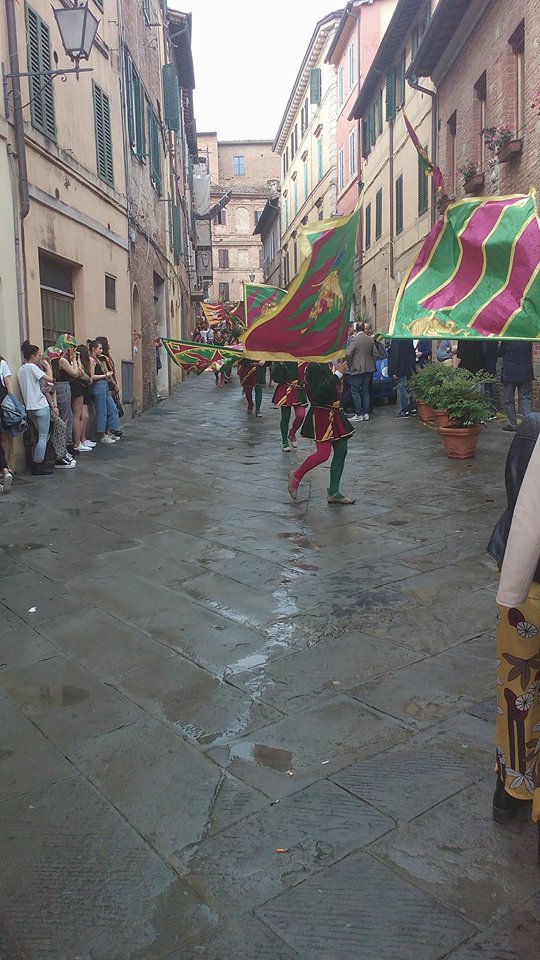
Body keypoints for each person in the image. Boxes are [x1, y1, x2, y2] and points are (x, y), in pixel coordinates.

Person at [488, 415, 540, 855]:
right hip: (528, 587)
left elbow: (520, 504)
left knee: (518, 689)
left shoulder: (532, 431)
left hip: (528, 587)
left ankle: (513, 786)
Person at [287, 360, 355, 505]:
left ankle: (334, 492)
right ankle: (296, 475)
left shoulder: (326, 363)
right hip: (322, 414)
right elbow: (320, 393)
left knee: (341, 450)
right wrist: (337, 374)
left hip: (335, 412)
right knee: (323, 454)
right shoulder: (313, 366)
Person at [17, 341, 54, 475]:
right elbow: (50, 379)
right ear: (32, 356)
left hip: (29, 407)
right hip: (40, 405)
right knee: (44, 436)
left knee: (40, 435)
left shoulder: (21, 370)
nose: (39, 357)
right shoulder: (32, 367)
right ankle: (38, 464)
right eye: (38, 355)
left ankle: (38, 461)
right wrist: (47, 366)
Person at [271, 361, 307, 452]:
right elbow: (276, 378)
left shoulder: (305, 358)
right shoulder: (283, 357)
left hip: (299, 390)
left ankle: (292, 433)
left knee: (300, 415)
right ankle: (284, 441)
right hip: (285, 389)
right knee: (285, 417)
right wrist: (280, 365)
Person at [346, 325, 378, 422]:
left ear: (356, 329)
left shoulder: (354, 340)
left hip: (357, 369)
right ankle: (366, 413)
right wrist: (371, 362)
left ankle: (358, 413)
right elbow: (375, 354)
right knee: (365, 391)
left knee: (355, 391)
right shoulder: (370, 339)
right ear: (364, 329)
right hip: (368, 369)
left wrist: (350, 365)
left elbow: (348, 353)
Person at [89, 340, 119, 444]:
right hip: (98, 385)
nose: (101, 350)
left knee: (112, 408)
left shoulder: (99, 360)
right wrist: (105, 376)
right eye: (100, 348)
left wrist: (111, 380)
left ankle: (109, 431)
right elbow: (92, 376)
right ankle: (102, 434)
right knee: (102, 410)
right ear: (94, 349)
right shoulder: (91, 360)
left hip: (104, 385)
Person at [499, 341, 533, 433]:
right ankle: (529, 424)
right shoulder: (527, 339)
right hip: (525, 371)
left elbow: (501, 352)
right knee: (525, 398)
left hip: (509, 372)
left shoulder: (507, 339)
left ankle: (512, 424)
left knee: (509, 400)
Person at [95, 337, 123, 437]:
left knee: (112, 408)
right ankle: (107, 432)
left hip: (108, 384)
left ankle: (111, 430)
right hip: (107, 385)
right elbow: (107, 372)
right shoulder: (102, 358)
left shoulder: (105, 357)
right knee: (106, 409)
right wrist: (114, 384)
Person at [388, 339, 416, 418]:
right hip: (410, 367)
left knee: (402, 388)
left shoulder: (396, 340)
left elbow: (395, 356)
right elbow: (412, 353)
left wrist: (393, 371)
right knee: (410, 388)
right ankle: (413, 407)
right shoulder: (408, 339)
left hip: (400, 368)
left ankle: (404, 410)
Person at [0, 353, 14, 476]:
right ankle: (5, 468)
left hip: (3, 404)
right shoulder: (2, 363)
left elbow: (8, 384)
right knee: (4, 436)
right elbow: (8, 383)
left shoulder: (2, 363)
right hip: (3, 403)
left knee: (4, 435)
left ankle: (5, 466)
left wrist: (11, 402)